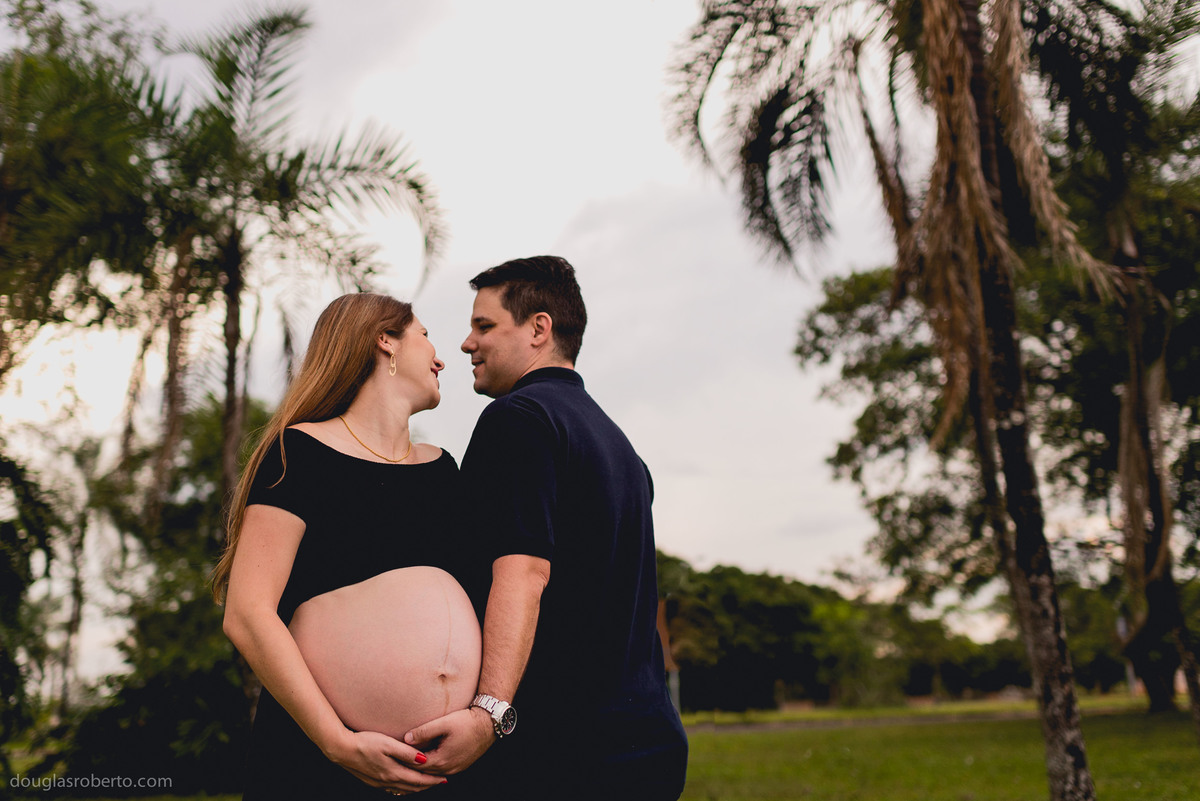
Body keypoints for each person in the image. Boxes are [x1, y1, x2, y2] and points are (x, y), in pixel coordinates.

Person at [405, 256, 688, 800]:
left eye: (484, 326)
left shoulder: (519, 419)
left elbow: (524, 573)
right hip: (647, 747)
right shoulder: (621, 447)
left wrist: (490, 713)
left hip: (560, 756)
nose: (466, 343)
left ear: (539, 328)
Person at [212, 293, 479, 800]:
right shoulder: (299, 455)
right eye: (425, 336)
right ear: (385, 341)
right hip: (318, 763)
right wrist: (337, 743)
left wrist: (480, 720)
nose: (441, 357)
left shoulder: (444, 469)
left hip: (439, 768)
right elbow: (247, 613)